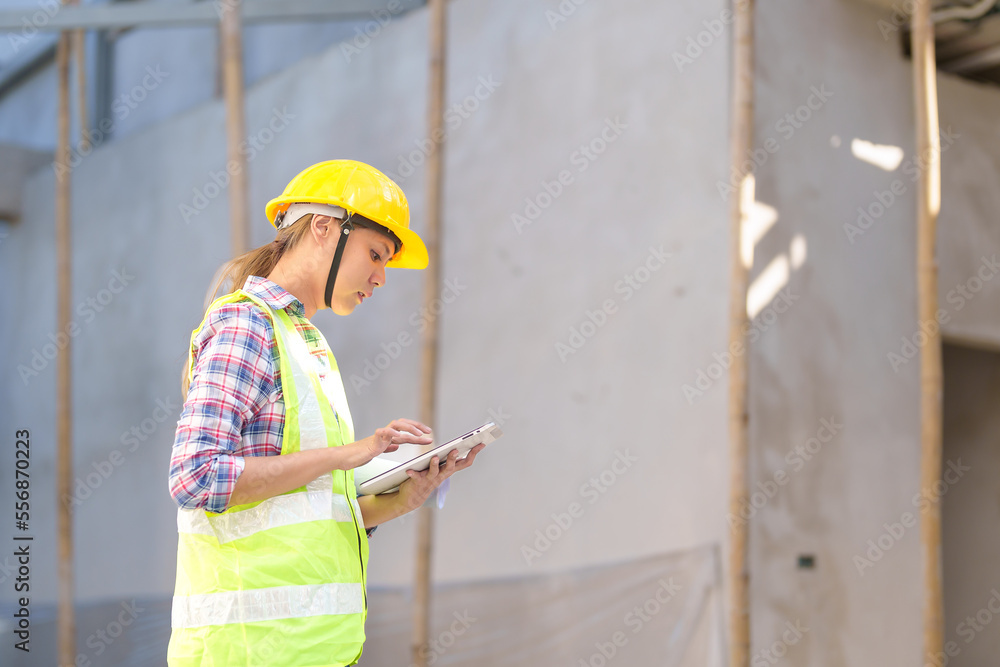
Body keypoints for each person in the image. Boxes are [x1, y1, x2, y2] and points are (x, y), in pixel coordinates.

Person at [166, 159, 483, 667]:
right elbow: (196, 477)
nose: (381, 277)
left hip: (312, 652)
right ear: (323, 228)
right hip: (246, 654)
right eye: (375, 254)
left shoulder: (306, 344)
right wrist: (347, 455)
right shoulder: (246, 324)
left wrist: (402, 498)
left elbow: (310, 516)